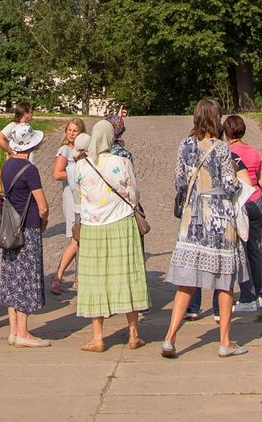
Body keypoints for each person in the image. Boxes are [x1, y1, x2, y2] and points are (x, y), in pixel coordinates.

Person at [162, 99, 247, 359]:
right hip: (218, 218)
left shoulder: (185, 145)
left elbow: (179, 180)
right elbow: (230, 185)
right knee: (224, 282)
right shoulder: (222, 149)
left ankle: (170, 337)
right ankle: (224, 341)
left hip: (192, 218)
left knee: (186, 282)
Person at [73, 119, 148, 352]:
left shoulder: (82, 166)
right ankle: (134, 333)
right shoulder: (123, 162)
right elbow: (134, 194)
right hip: (122, 224)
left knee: (95, 280)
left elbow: (79, 197)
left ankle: (97, 338)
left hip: (93, 226)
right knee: (127, 275)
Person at [0, 122, 52, 348]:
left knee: (11, 275)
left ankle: (12, 330)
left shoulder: (8, 165)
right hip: (27, 226)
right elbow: (43, 205)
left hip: (9, 226)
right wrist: (44, 221)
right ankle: (23, 332)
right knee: (27, 276)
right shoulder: (30, 170)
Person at [224, 113, 262, 315]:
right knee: (256, 250)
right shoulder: (254, 152)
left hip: (240, 204)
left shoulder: (226, 153)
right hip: (256, 201)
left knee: (241, 252)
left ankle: (247, 295)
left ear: (225, 132)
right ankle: (259, 294)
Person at [50, 117, 87, 295]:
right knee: (76, 238)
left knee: (81, 239)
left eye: (75, 131)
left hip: (83, 196)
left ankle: (79, 276)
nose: (72, 134)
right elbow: (57, 174)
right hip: (71, 196)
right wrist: (76, 173)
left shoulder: (83, 150)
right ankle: (58, 276)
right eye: (70, 130)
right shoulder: (64, 150)